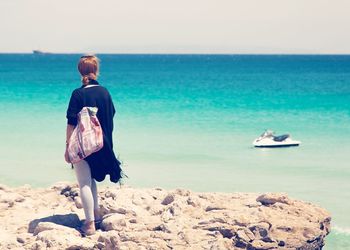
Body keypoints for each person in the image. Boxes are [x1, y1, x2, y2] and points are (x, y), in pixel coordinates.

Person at [64, 55, 123, 235]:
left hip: (83, 145)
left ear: (80, 72)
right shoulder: (105, 92)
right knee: (90, 181)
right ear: (96, 70)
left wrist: (68, 147)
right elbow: (110, 118)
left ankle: (89, 224)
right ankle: (96, 215)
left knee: (84, 183)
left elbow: (71, 123)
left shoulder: (78, 94)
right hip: (101, 144)